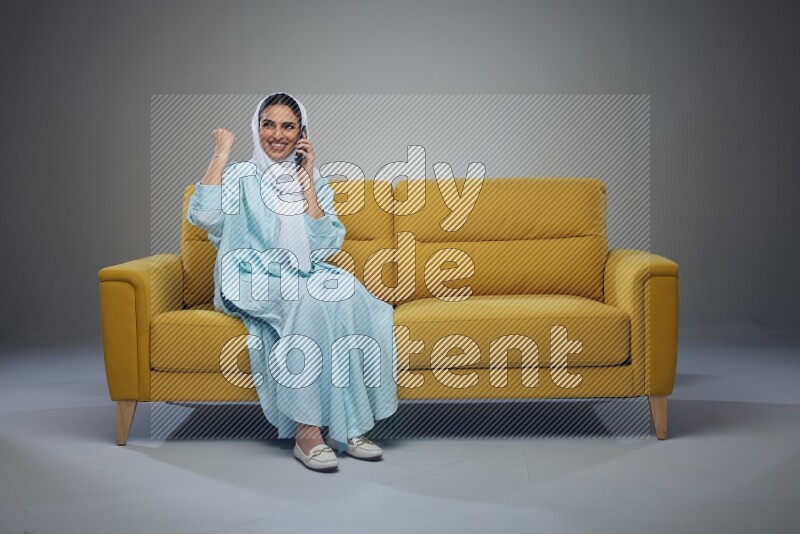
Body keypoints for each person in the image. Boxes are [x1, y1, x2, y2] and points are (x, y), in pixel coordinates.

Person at [186, 92, 399, 471]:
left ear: (302, 133)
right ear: (257, 128)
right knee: (306, 301)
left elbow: (325, 244)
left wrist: (308, 180)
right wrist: (221, 153)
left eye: (288, 126)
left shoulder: (312, 178)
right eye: (268, 124)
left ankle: (350, 426)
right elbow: (204, 217)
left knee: (349, 294)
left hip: (300, 271)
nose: (277, 134)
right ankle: (307, 432)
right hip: (248, 274)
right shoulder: (239, 176)